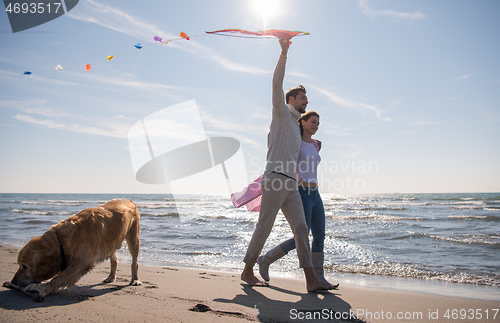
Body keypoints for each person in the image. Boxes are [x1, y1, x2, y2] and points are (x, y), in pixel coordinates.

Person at [240, 38, 337, 292]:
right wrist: (284, 52)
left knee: (302, 229)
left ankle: (311, 280)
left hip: (292, 185)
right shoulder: (281, 114)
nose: (306, 102)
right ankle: (248, 269)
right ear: (291, 99)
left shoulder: (296, 127)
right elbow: (275, 83)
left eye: (306, 98)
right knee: (265, 226)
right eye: (303, 98)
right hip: (274, 179)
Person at [258, 111, 337, 287]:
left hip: (316, 194)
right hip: (301, 192)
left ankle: (319, 277)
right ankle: (266, 259)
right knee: (300, 237)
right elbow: (282, 156)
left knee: (320, 235)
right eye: (313, 122)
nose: (316, 125)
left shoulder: (316, 145)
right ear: (302, 122)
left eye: (318, 123)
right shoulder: (296, 143)